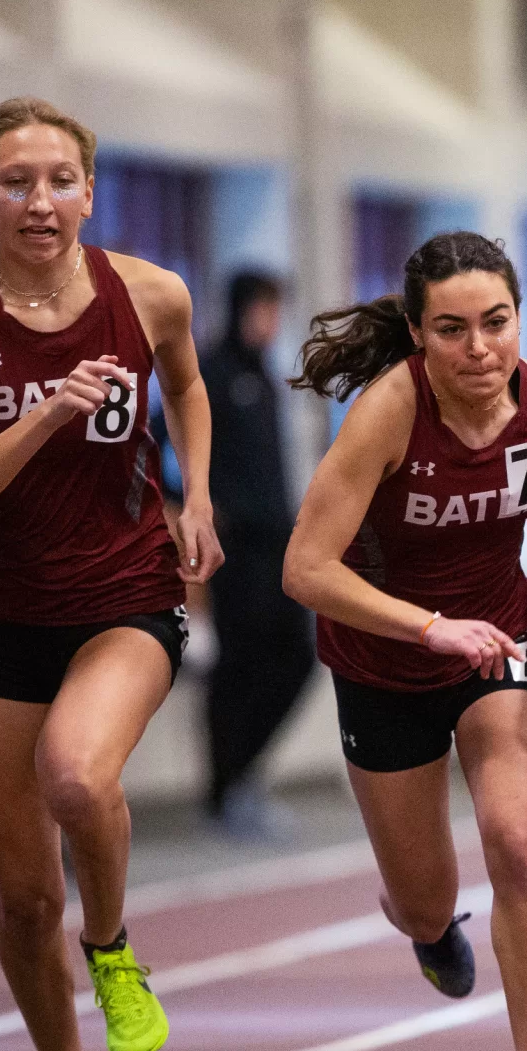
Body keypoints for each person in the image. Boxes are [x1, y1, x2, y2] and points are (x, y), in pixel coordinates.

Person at [0, 96, 224, 1051]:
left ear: (91, 190)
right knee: (20, 892)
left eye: (60, 181)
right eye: (16, 183)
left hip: (124, 595)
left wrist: (199, 497)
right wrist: (42, 413)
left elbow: (185, 387)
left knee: (78, 778)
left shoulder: (151, 294)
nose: (40, 203)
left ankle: (114, 946)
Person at [284, 231, 527, 1051]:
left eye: (496, 323)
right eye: (453, 330)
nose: (479, 349)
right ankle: (424, 924)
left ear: (519, 318)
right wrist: (427, 626)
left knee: (516, 838)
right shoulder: (388, 414)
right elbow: (304, 568)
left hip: (500, 637)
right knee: (425, 896)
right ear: (419, 336)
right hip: (384, 658)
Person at [201, 270, 314, 837]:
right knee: (237, 666)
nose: (272, 323)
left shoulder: (266, 379)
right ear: (243, 308)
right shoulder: (210, 372)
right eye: (265, 310)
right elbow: (158, 436)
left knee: (298, 657)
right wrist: (194, 503)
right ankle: (225, 791)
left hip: (278, 546)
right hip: (234, 550)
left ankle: (242, 772)